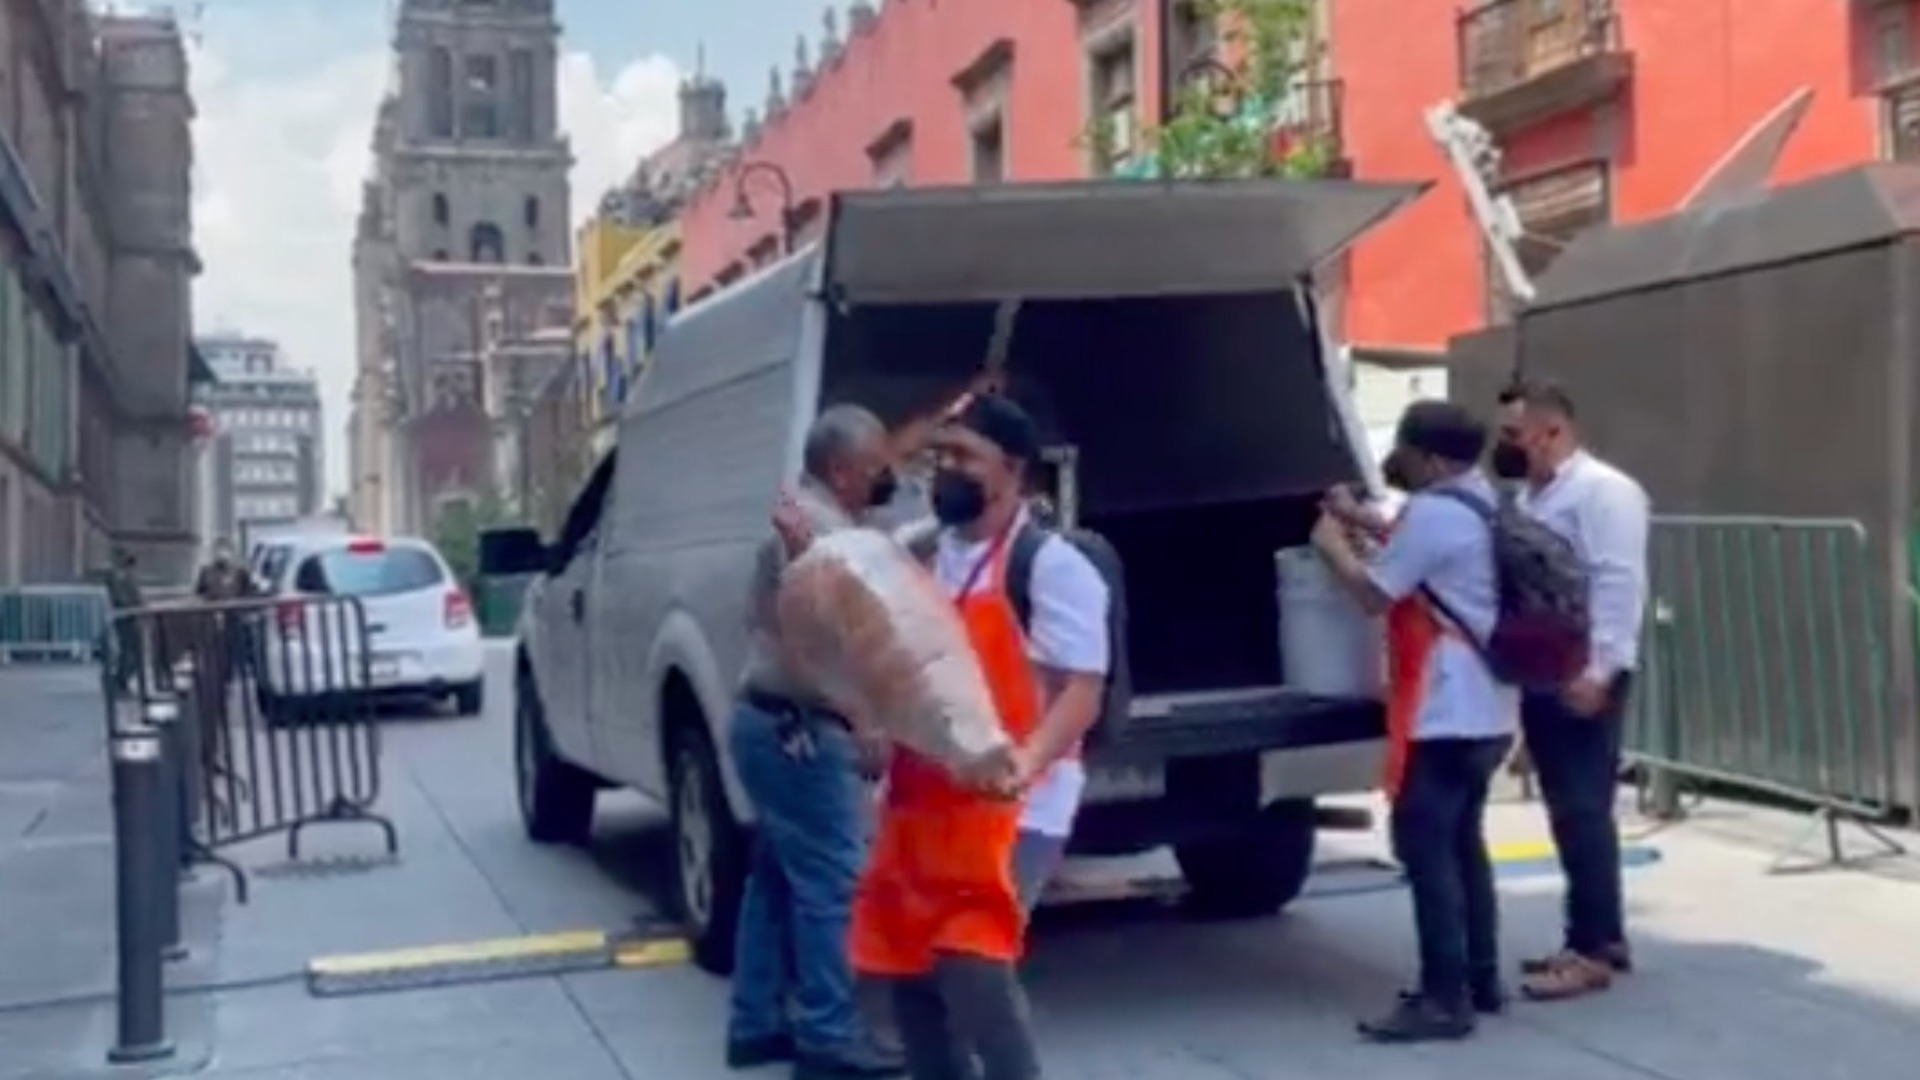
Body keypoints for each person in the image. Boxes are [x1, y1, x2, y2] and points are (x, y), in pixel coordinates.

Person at [851, 393, 1110, 1080]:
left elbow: (1080, 691)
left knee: (974, 964)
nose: (945, 469)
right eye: (940, 456)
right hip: (920, 801)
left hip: (1013, 807)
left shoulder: (1051, 566)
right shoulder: (922, 557)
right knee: (909, 975)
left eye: (964, 456)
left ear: (1013, 468)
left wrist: (1026, 761)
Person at [1311, 399, 1518, 1043]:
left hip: (1444, 708)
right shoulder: (1484, 501)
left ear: (1427, 458)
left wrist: (1330, 548)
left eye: (1400, 450)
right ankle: (1480, 977)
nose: (1391, 461)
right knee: (1465, 845)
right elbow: (1427, 560)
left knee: (1425, 849)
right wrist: (1360, 519)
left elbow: (1376, 593)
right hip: (1491, 707)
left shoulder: (1430, 514)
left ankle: (1442, 997)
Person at [728, 404, 905, 1079]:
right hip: (799, 729)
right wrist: (863, 717)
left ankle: (757, 1021)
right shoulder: (812, 533)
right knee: (833, 882)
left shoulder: (811, 518)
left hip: (766, 722)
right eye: (875, 467)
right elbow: (817, 644)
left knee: (777, 876)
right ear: (841, 469)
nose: (887, 476)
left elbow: (762, 619)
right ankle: (829, 1034)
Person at [1492, 381, 1649, 1002]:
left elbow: (1618, 583)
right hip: (1545, 665)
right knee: (1568, 808)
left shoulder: (1605, 494)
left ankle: (1588, 949)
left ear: (1551, 431)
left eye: (1513, 434)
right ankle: (1599, 934)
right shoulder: (1530, 498)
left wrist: (1602, 670)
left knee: (1583, 808)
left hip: (1584, 667)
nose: (1503, 446)